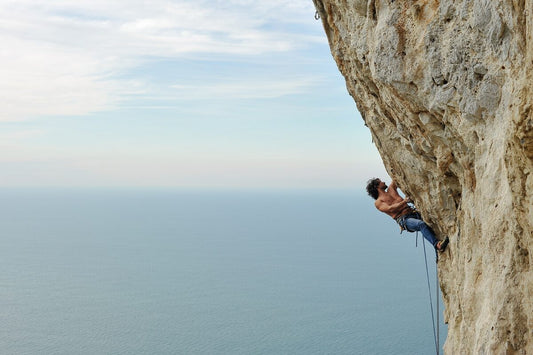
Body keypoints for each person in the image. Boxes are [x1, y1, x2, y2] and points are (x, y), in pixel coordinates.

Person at [366, 178, 449, 252]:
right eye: (380, 182)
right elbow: (390, 208)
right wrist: (404, 202)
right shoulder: (379, 202)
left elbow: (396, 177)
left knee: (433, 218)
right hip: (404, 220)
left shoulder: (391, 189)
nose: (383, 182)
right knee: (421, 224)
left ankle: (440, 243)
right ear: (377, 186)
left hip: (412, 212)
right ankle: (437, 245)